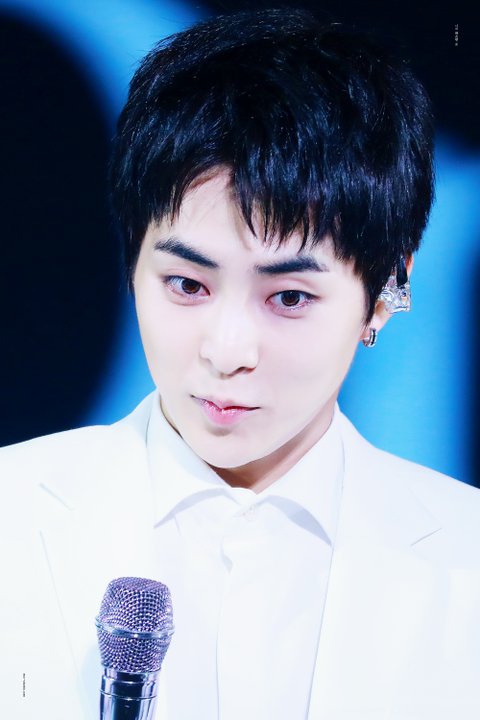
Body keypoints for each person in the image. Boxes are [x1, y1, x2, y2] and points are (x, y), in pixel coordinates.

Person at [2, 8, 479, 719]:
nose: (226, 351)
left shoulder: (466, 560)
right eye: (187, 285)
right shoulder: (10, 515)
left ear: (385, 293)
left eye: (288, 297)